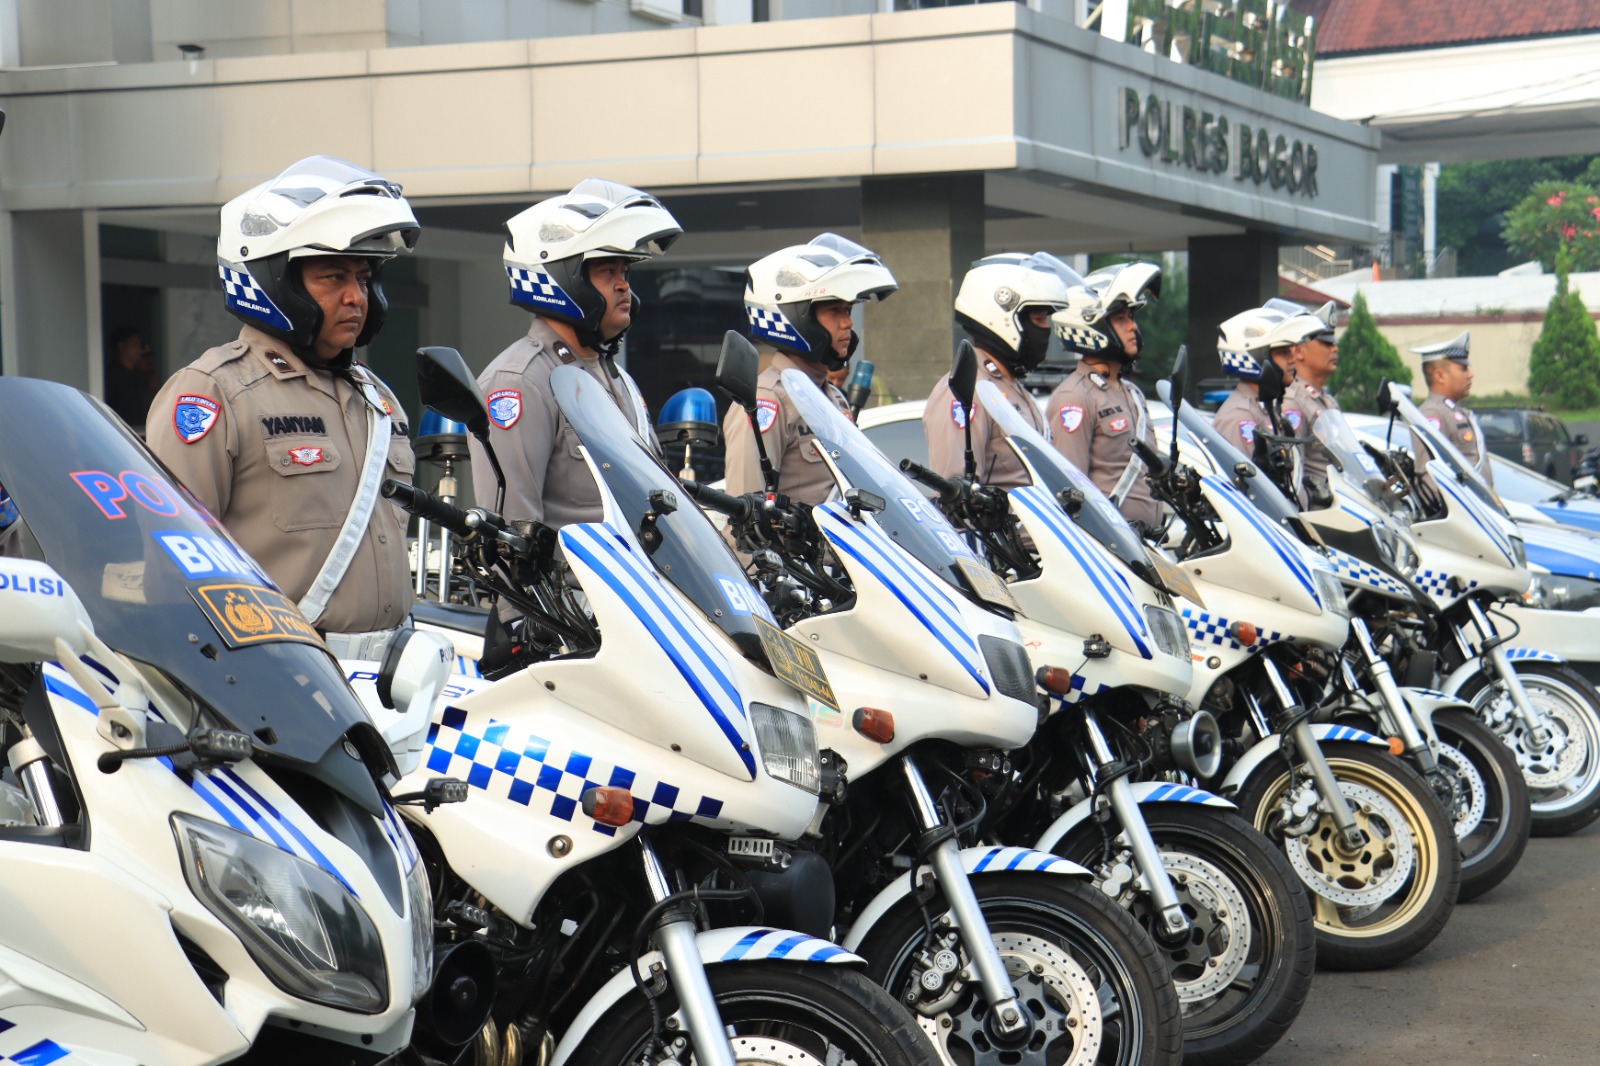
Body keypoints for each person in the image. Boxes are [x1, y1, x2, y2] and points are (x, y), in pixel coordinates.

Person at [147, 156, 420, 649]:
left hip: (392, 674)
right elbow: (172, 566)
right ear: (277, 282)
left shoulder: (378, 400)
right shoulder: (213, 393)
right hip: (286, 672)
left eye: (364, 278)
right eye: (333, 278)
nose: (356, 296)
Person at [470, 179, 681, 538]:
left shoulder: (617, 378)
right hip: (572, 593)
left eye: (625, 272)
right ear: (561, 277)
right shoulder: (520, 381)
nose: (623, 285)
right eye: (606, 271)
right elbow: (511, 539)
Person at [724, 234, 897, 504]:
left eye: (848, 310)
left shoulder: (833, 398)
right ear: (797, 316)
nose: (847, 322)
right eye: (835, 311)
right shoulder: (767, 400)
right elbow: (746, 519)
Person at [923, 253, 1069, 491]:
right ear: (1002, 317)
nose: (1045, 329)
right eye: (1038, 319)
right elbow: (958, 497)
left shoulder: (1012, 388)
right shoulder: (967, 388)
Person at [1045, 261, 1164, 530]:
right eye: (1121, 318)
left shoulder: (1130, 392)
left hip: (1146, 543)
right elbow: (1069, 490)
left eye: (1131, 318)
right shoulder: (1074, 397)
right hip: (1109, 546)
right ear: (1091, 325)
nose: (1133, 327)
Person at [1211, 305, 1298, 457]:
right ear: (1259, 357)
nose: (1293, 359)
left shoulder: (1265, 407)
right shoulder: (1238, 417)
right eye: (1284, 353)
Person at [1413, 330, 1493, 486]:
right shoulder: (1432, 413)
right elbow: (1430, 476)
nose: (1470, 375)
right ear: (1440, 376)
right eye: (1463, 369)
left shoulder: (1455, 411)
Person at [1281, 302, 1342, 489]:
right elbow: (1294, 475)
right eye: (1326, 343)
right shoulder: (1292, 401)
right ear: (1298, 351)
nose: (1334, 349)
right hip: (1317, 509)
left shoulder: (1327, 400)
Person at [104, 326, 159, 430]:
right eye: (134, 345)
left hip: (141, 432)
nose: (140, 350)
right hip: (119, 431)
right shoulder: (111, 376)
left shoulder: (140, 376)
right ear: (121, 346)